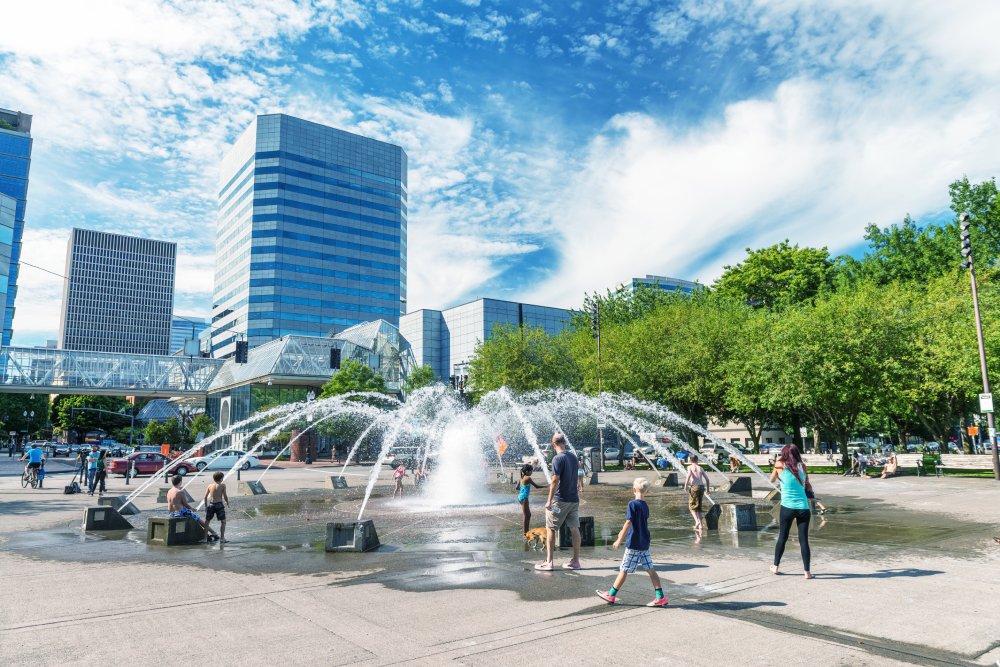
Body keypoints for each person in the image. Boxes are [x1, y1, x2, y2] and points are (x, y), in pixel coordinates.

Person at [596, 478, 668, 606]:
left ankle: (611, 594)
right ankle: (660, 597)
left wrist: (619, 540)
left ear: (634, 490)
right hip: (644, 542)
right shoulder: (645, 506)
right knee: (651, 569)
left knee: (624, 569)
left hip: (634, 543)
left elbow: (628, 522)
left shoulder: (632, 504)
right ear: (646, 492)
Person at [536, 433, 581, 571]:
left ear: (553, 444)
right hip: (573, 499)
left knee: (551, 529)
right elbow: (577, 475)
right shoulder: (573, 457)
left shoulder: (557, 458)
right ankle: (575, 561)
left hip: (559, 500)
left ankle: (549, 562)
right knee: (574, 528)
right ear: (564, 442)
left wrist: (549, 500)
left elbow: (555, 480)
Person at [769, 445, 813, 579]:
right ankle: (807, 572)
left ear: (784, 453)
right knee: (803, 539)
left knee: (783, 536)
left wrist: (780, 478)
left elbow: (771, 480)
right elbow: (807, 484)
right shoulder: (802, 466)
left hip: (787, 507)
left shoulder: (779, 465)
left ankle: (775, 567)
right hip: (803, 508)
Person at [167, 475, 219, 542]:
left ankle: (212, 533)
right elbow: (185, 504)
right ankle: (214, 533)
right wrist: (192, 509)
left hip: (171, 513)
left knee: (193, 515)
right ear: (180, 482)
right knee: (199, 519)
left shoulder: (169, 491)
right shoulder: (180, 492)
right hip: (179, 513)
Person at [683, 453, 709, 535]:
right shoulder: (700, 468)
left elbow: (688, 476)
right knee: (699, 506)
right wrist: (708, 490)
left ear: (690, 460)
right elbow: (707, 480)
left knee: (691, 507)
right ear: (697, 460)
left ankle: (697, 521)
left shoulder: (690, 467)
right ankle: (700, 525)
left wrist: (685, 486)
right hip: (701, 487)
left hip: (694, 487)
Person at [516, 463, 545, 534]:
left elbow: (517, 488)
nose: (532, 472)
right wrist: (547, 486)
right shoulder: (528, 478)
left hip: (521, 497)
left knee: (527, 515)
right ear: (527, 471)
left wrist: (523, 489)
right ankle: (525, 532)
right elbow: (536, 486)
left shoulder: (521, 478)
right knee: (527, 515)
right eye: (531, 471)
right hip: (524, 498)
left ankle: (526, 531)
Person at [203, 471, 230, 543]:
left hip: (211, 505)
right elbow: (225, 496)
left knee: (207, 521)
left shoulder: (209, 485)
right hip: (219, 505)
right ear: (221, 479)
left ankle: (205, 538)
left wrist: (206, 506)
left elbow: (205, 497)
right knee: (223, 521)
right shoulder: (223, 485)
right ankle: (222, 538)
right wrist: (227, 503)